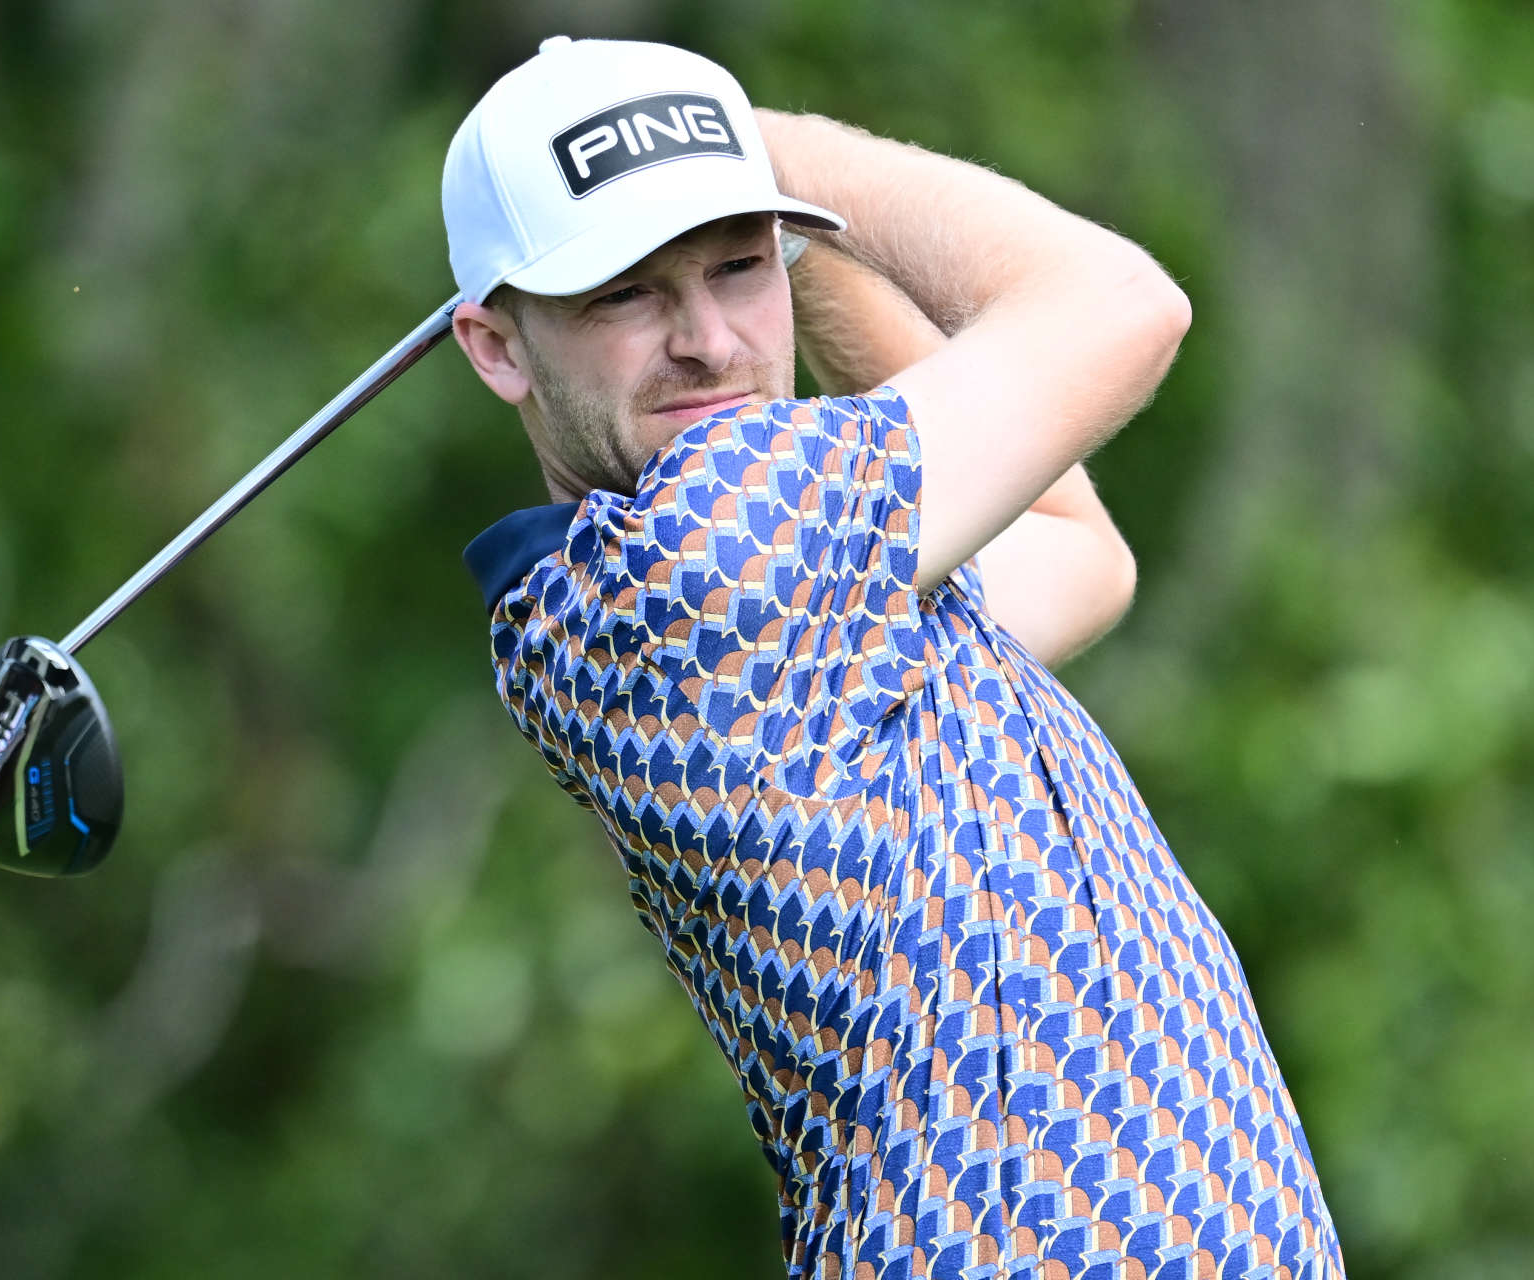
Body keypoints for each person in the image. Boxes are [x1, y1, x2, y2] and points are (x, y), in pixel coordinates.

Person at [450, 35, 1343, 1280]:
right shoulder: (720, 549)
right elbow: (1127, 302)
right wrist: (783, 155)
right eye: (626, 292)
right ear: (495, 346)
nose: (709, 337)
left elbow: (1074, 549)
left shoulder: (781, 588)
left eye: (738, 265)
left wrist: (774, 221)